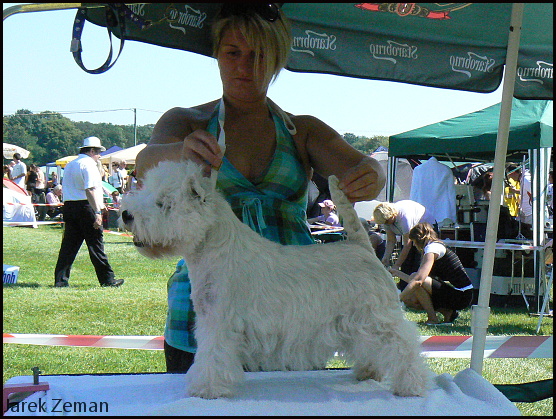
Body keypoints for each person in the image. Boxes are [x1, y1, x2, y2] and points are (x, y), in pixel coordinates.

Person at [134, 3, 385, 374]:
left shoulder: (303, 131)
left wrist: (372, 174)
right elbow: (146, 163)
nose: (244, 65)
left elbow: (365, 169)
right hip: (205, 309)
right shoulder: (186, 122)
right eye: (233, 52)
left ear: (277, 60)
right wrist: (179, 151)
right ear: (217, 55)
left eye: (259, 55)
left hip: (292, 313)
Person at [53, 136, 124, 288]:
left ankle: (60, 280)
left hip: (70, 206)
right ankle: (107, 280)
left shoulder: (71, 164)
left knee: (68, 247)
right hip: (86, 208)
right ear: (92, 151)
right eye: (98, 152)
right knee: (96, 245)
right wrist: (97, 212)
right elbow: (90, 189)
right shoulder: (89, 164)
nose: (99, 156)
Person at [388, 222, 473, 325]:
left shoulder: (432, 249)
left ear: (419, 239)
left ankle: (433, 318)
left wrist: (398, 300)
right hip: (460, 293)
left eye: (414, 242)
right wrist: (396, 272)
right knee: (412, 297)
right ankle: (447, 312)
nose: (414, 245)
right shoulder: (434, 247)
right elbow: (416, 279)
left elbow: (418, 280)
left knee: (415, 281)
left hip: (462, 295)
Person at [373, 200, 436, 286]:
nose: (386, 224)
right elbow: (391, 240)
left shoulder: (404, 218)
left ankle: (420, 289)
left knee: (417, 265)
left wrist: (396, 266)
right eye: (384, 223)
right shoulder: (386, 220)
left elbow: (407, 245)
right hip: (413, 234)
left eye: (387, 221)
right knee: (406, 267)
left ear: (392, 215)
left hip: (426, 233)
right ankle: (404, 290)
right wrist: (386, 257)